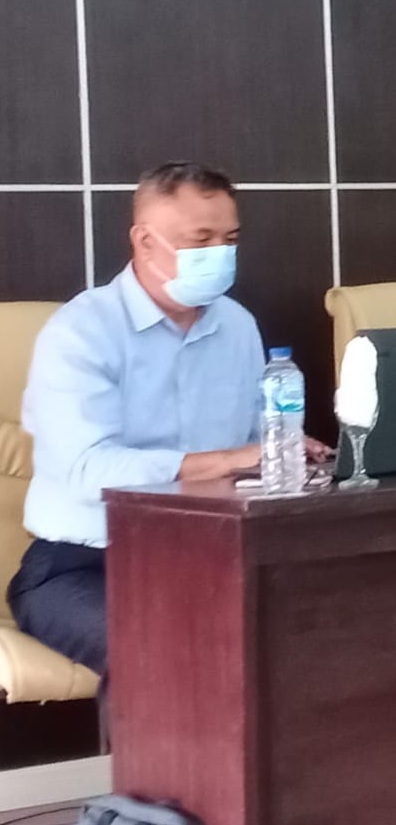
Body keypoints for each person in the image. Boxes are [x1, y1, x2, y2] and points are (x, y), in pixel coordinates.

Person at [7, 162, 330, 686]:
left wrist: (287, 456)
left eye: (230, 240)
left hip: (209, 554)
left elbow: (255, 447)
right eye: (201, 240)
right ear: (144, 241)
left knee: (316, 632)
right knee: (161, 651)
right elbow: (87, 470)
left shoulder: (237, 327)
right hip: (82, 565)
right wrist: (228, 460)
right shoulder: (81, 332)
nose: (220, 253)